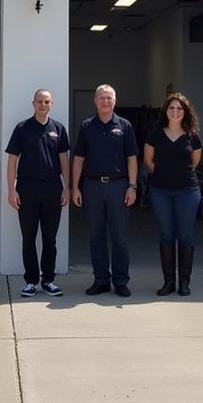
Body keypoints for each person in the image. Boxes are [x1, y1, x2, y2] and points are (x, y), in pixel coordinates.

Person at [71, 84, 139, 297]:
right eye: (102, 97)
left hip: (119, 186)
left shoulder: (125, 126)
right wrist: (75, 187)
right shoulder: (86, 126)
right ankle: (101, 280)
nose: (105, 101)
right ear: (95, 100)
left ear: (115, 101)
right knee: (96, 236)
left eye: (109, 98)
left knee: (119, 237)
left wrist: (132, 186)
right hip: (92, 186)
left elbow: (132, 159)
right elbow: (79, 158)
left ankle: (120, 281)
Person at [5, 88, 70, 298]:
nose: (43, 105)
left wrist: (67, 187)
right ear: (33, 103)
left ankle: (48, 280)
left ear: (52, 104)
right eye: (40, 101)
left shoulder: (58, 129)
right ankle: (31, 281)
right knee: (28, 238)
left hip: (52, 189)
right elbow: (12, 160)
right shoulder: (22, 128)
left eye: (47, 102)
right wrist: (11, 190)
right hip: (27, 189)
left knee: (50, 239)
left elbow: (64, 160)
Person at [144, 92, 202, 296]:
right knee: (166, 234)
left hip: (188, 191)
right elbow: (149, 161)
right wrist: (163, 175)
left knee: (185, 235)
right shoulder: (156, 134)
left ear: (185, 112)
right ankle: (168, 282)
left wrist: (179, 175)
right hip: (161, 191)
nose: (175, 111)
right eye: (171, 108)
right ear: (166, 111)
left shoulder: (192, 135)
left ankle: (184, 283)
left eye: (179, 108)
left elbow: (194, 161)